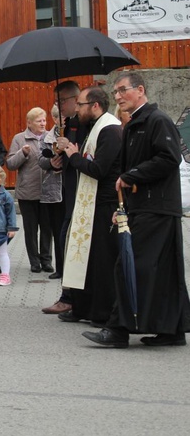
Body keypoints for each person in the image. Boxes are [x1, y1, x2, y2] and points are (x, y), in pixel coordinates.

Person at [84, 72, 190, 348]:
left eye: (123, 90)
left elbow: (169, 157)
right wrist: (124, 208)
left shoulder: (157, 120)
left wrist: (132, 176)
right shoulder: (134, 123)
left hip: (157, 207)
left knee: (129, 265)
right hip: (145, 206)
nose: (117, 96)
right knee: (164, 271)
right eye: (116, 91)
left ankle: (118, 329)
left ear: (140, 90)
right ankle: (173, 330)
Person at [58, 86, 122, 326]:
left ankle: (102, 311)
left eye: (81, 105)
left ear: (95, 106)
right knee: (84, 257)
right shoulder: (94, 127)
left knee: (101, 261)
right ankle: (82, 307)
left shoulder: (111, 129)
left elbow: (98, 170)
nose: (77, 109)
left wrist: (75, 157)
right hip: (89, 204)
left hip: (104, 204)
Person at [41, 81, 88, 314]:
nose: (58, 106)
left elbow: (84, 153)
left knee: (69, 242)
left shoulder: (84, 123)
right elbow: (51, 157)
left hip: (82, 194)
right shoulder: (67, 124)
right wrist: (56, 160)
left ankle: (72, 298)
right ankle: (69, 296)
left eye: (61, 101)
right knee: (65, 242)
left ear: (73, 100)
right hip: (68, 191)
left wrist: (69, 148)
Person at [6, 107, 53, 274]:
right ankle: (34, 261)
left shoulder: (51, 137)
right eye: (39, 120)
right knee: (31, 229)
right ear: (29, 123)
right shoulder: (19, 139)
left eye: (44, 120)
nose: (42, 123)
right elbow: (10, 164)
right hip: (28, 193)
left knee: (47, 228)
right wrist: (22, 153)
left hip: (48, 192)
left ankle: (46, 260)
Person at [38, 104, 65, 280]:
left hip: (70, 187)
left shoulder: (72, 133)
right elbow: (40, 159)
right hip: (53, 191)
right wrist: (50, 163)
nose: (64, 120)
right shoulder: (46, 138)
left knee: (67, 231)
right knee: (57, 231)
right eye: (60, 118)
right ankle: (60, 268)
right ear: (55, 119)